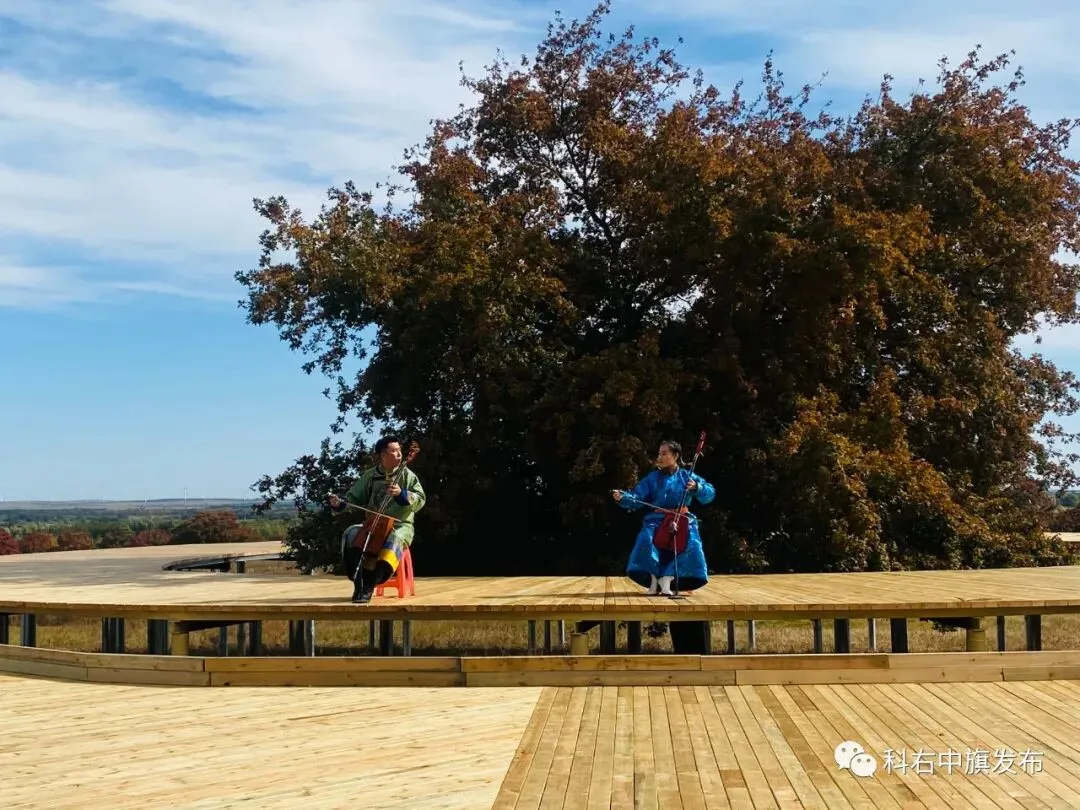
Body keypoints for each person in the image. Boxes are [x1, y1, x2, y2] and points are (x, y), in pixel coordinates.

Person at [328, 436, 426, 603]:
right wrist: (339, 503)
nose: (399, 454)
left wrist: (401, 494)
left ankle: (371, 584)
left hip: (400, 525)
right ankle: (358, 582)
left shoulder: (408, 476)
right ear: (383, 455)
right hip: (373, 524)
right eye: (394, 451)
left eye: (399, 451)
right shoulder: (370, 476)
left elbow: (420, 500)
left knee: (394, 538)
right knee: (351, 534)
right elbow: (353, 498)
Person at [612, 439, 715, 596]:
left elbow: (710, 493)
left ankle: (668, 578)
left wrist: (697, 487)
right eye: (659, 453)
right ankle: (653, 580)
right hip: (657, 519)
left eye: (664, 454)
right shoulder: (652, 478)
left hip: (681, 519)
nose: (659, 457)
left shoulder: (687, 476)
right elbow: (636, 497)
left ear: (675, 456)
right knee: (646, 538)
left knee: (691, 541)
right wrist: (623, 497)